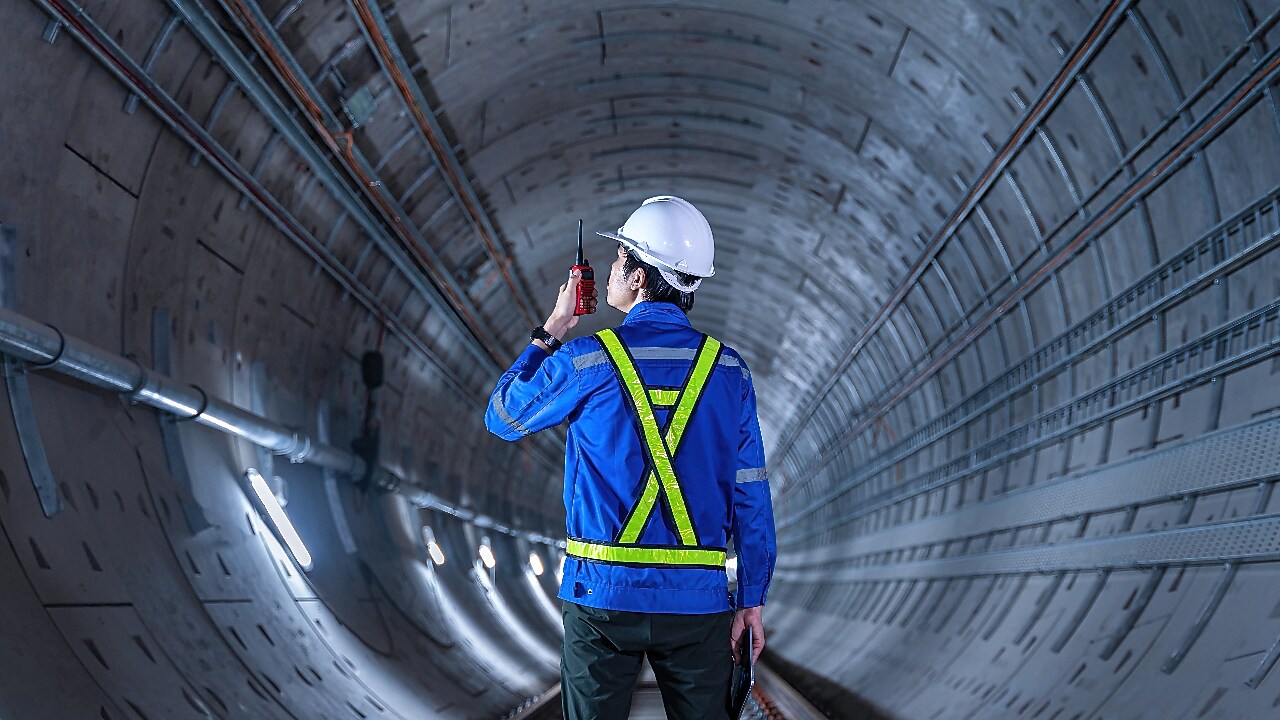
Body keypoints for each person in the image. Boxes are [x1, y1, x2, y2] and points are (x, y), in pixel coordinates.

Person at [485, 196, 776, 719]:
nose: (613, 267)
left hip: (602, 600)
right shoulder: (730, 372)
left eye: (621, 257)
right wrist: (751, 599)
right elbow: (750, 493)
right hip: (697, 604)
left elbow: (504, 416)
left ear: (640, 277)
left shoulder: (587, 360)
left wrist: (554, 327)